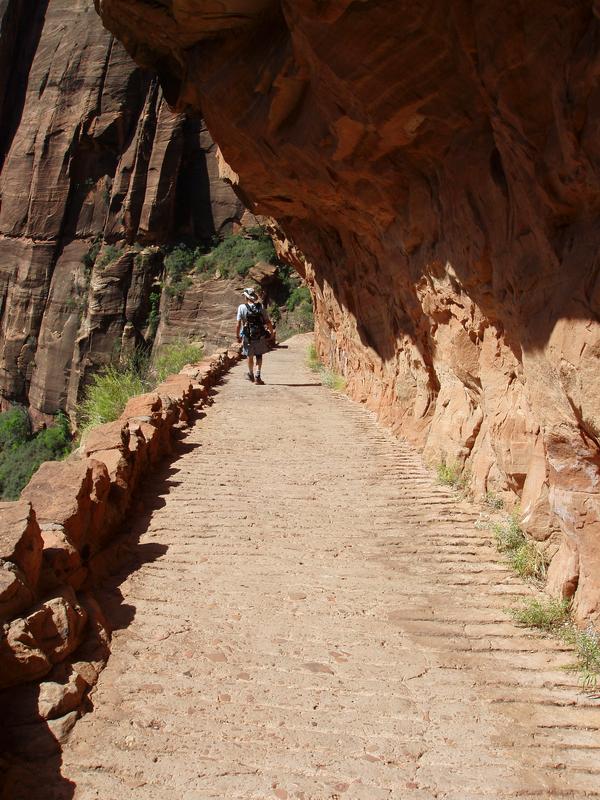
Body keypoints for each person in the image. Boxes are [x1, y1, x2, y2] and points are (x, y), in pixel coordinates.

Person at [236, 287, 274, 385]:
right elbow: (268, 322)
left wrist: (238, 336)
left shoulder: (241, 307)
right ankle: (258, 376)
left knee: (249, 356)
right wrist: (271, 333)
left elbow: (238, 324)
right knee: (259, 355)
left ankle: (251, 374)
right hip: (260, 335)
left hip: (247, 336)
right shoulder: (260, 307)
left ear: (246, 297)